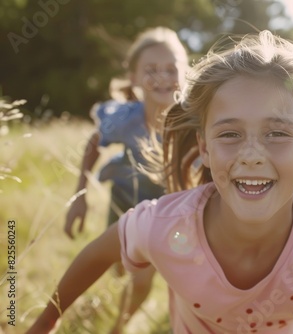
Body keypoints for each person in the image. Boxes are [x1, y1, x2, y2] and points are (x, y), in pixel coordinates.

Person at [26, 30, 293, 334]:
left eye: (277, 133)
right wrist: (44, 323)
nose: (251, 155)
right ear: (204, 147)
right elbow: (96, 255)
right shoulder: (163, 224)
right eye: (230, 134)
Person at [63, 26, 189, 333]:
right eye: (151, 70)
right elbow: (95, 142)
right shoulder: (126, 118)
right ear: (133, 77)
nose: (162, 77)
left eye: (171, 69)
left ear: (185, 73)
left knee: (142, 277)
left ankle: (118, 326)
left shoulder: (192, 121)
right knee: (120, 267)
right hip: (123, 201)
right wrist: (80, 196)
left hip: (166, 210)